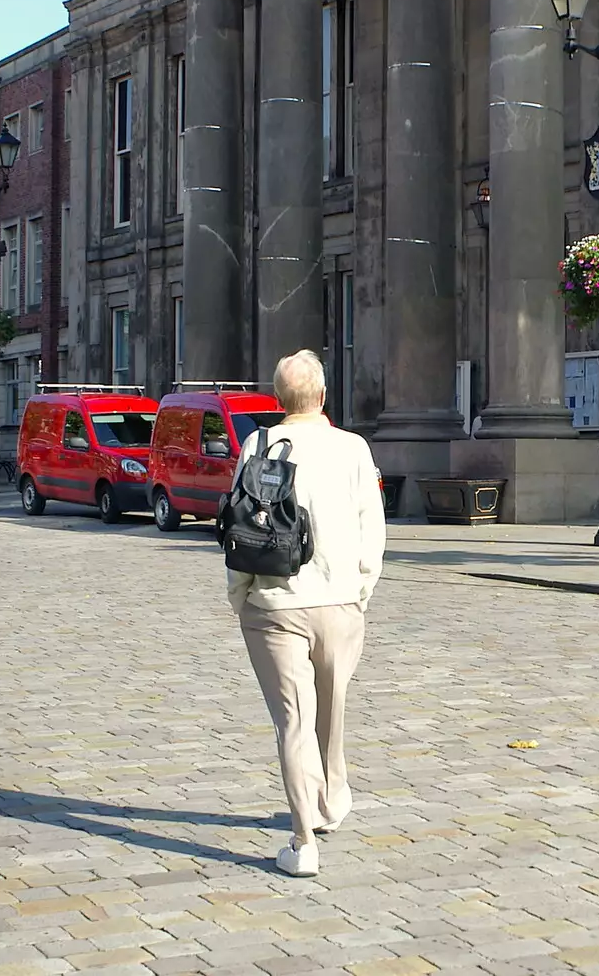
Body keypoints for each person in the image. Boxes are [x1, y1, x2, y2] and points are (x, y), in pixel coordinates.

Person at [226, 349, 386, 878]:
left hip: (275, 602)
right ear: (321, 396)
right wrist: (360, 590)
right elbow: (373, 527)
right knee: (331, 710)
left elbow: (238, 525)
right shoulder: (353, 447)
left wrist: (240, 595)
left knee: (294, 721)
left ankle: (303, 839)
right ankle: (328, 803)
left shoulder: (260, 443)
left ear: (278, 399)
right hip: (339, 602)